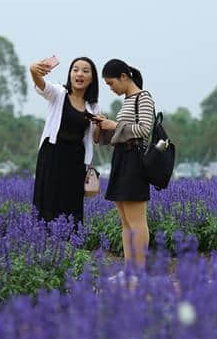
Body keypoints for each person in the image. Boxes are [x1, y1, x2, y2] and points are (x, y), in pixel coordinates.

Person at [94, 59, 154, 274]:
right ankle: (129, 271)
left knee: (136, 220)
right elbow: (123, 131)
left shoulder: (143, 97)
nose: (111, 88)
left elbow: (145, 129)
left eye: (111, 83)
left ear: (123, 76)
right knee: (125, 221)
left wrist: (115, 125)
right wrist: (104, 125)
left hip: (134, 161)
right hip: (121, 158)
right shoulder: (127, 101)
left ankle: (139, 272)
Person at [30, 56, 100, 225]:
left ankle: (71, 244)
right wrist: (34, 69)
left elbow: (95, 139)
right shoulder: (59, 93)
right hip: (52, 154)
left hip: (76, 159)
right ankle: (43, 241)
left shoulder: (93, 106)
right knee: (48, 199)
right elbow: (41, 85)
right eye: (75, 69)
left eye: (85, 71)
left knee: (72, 202)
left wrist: (99, 124)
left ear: (92, 78)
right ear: (69, 74)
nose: (79, 74)